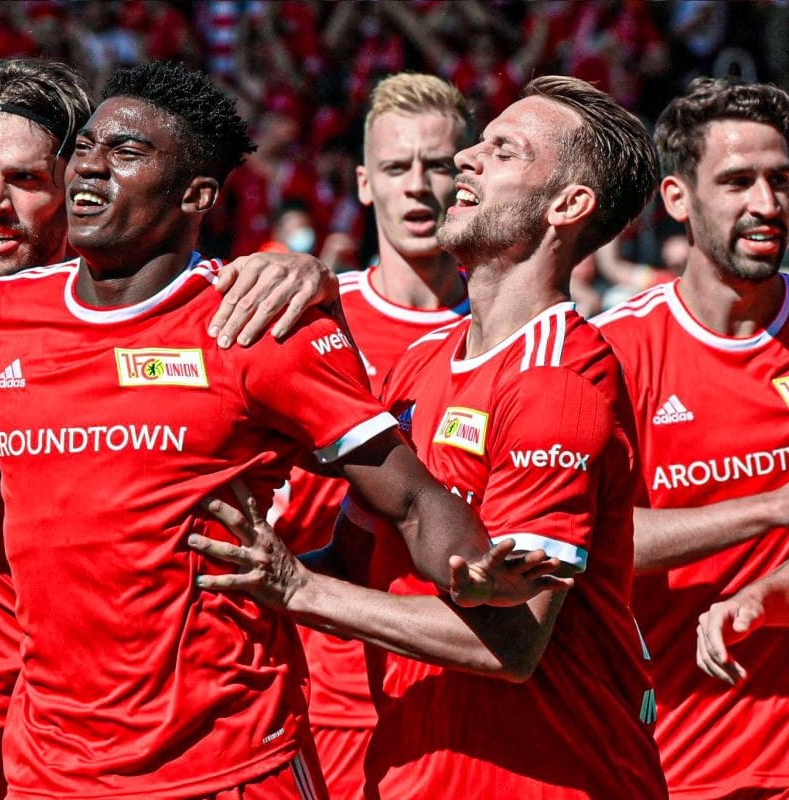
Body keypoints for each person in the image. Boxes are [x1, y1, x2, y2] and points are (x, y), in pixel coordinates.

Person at [0, 62, 560, 798]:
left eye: (115, 155)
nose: (80, 172)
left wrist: (469, 572)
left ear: (195, 195)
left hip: (225, 759)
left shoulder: (253, 321)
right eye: (82, 151)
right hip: (17, 759)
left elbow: (406, 493)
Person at [191, 75, 668, 798]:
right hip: (412, 774)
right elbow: (355, 561)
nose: (466, 159)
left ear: (568, 206)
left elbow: (511, 645)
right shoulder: (422, 361)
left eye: (503, 151)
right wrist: (208, 569)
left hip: (551, 781)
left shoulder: (558, 380)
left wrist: (295, 587)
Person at [269, 72, 471, 800]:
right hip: (323, 692)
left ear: (469, 177)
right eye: (395, 166)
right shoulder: (303, 318)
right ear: (363, 183)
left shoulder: (509, 333)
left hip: (460, 686)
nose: (417, 186)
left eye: (438, 165)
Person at [593, 77, 789, 798]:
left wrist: (768, 594)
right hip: (681, 760)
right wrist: (769, 509)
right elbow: (590, 537)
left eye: (780, 180)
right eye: (737, 182)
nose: (766, 204)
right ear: (677, 198)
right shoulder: (614, 352)